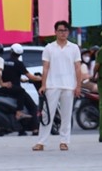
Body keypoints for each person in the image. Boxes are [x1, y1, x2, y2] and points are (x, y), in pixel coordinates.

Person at [34, 21, 82, 152]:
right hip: (52, 85)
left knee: (66, 115)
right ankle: (41, 142)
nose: (63, 33)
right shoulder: (49, 48)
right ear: (55, 32)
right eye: (60, 30)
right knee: (47, 114)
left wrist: (78, 85)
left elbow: (78, 68)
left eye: (65, 30)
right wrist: (43, 85)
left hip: (68, 85)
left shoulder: (74, 48)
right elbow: (45, 67)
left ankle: (64, 141)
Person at [2, 44, 41, 135]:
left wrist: (21, 79)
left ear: (11, 51)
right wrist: (41, 78)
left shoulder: (4, 62)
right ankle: (35, 129)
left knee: (24, 106)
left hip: (5, 88)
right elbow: (31, 77)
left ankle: (21, 130)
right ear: (20, 54)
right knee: (33, 107)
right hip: (16, 90)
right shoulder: (19, 64)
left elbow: (8, 74)